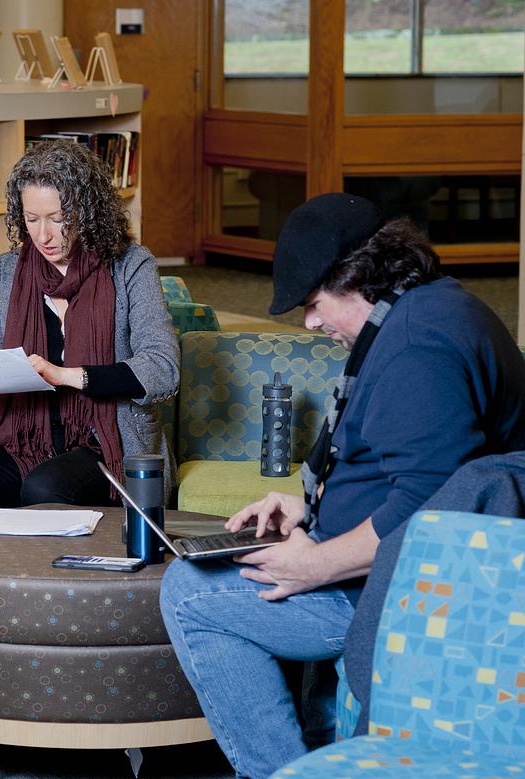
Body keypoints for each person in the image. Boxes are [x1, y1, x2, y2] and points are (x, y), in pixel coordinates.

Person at [159, 193, 525, 778]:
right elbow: (407, 463)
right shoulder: (430, 309)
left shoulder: (415, 351)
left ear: (359, 278)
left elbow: (426, 513)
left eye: (313, 303)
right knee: (205, 567)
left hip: (395, 593)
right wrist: (308, 503)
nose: (310, 322)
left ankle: (281, 770)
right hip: (381, 565)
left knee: (189, 593)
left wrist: (318, 564)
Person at [0, 140, 179, 515]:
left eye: (58, 219)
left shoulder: (130, 265)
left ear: (89, 211)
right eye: (31, 219)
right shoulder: (6, 272)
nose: (43, 236)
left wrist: (65, 376)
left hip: (109, 442)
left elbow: (163, 370)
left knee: (46, 485)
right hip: (24, 440)